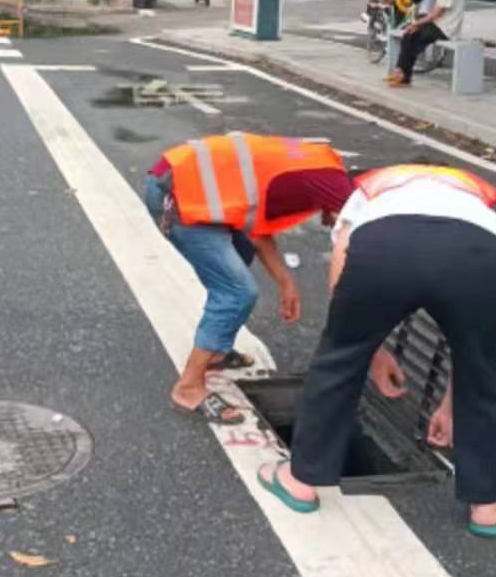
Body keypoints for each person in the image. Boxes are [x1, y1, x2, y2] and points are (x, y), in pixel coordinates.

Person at [257, 161, 496, 537]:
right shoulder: (471, 197)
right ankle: (489, 506)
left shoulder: (370, 191)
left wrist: (369, 351)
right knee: (485, 371)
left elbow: (341, 290)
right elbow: (475, 349)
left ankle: (300, 481)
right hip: (479, 254)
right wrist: (450, 404)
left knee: (337, 360)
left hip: (385, 247)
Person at [145, 134, 356, 424]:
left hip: (192, 187)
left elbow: (254, 228)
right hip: (180, 196)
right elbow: (351, 244)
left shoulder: (321, 167)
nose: (326, 223)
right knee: (237, 292)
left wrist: (286, 283)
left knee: (237, 260)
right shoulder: (340, 193)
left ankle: (216, 352)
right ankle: (188, 387)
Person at [386, 0, 464, 86]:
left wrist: (416, 23)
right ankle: (402, 74)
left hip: (446, 29)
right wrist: (417, 24)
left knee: (413, 38)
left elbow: (435, 15)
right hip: (439, 25)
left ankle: (402, 74)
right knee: (408, 35)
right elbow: (435, 15)